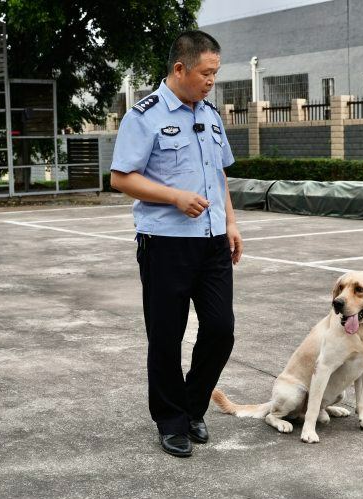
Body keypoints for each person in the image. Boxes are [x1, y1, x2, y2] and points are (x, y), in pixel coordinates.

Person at [110, 30, 242, 458]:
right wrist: (174, 196)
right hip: (165, 242)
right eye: (206, 73)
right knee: (166, 337)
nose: (211, 82)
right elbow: (120, 177)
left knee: (221, 330)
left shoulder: (210, 114)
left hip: (212, 242)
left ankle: (192, 406)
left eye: (216, 74)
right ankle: (171, 421)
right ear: (180, 69)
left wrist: (232, 224)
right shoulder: (143, 116)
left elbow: (219, 174)